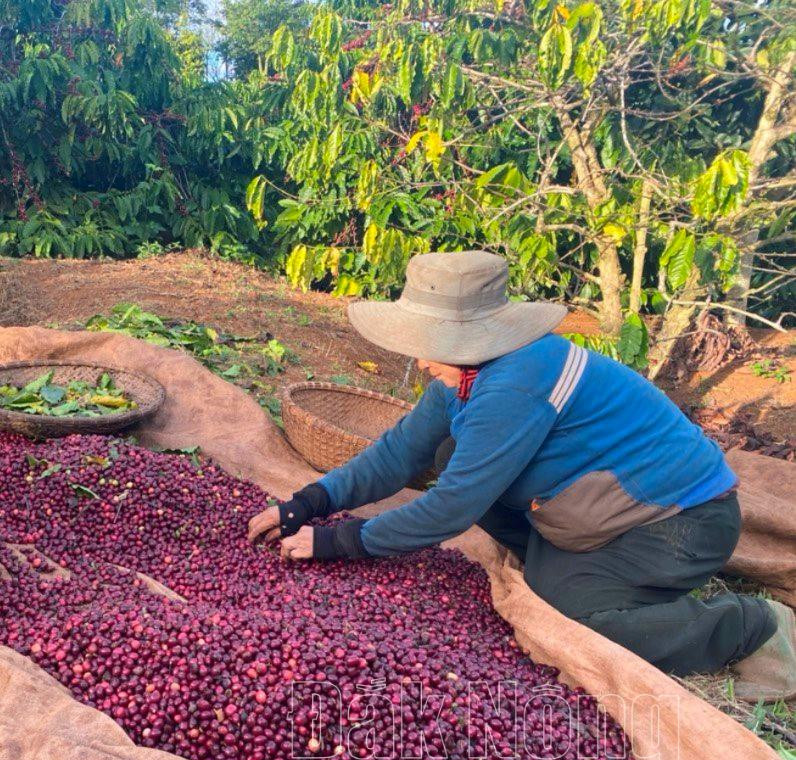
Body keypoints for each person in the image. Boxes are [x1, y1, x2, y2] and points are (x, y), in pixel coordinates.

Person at [247, 251, 794, 701]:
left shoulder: (515, 384)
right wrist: (307, 503)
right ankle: (570, 567)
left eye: (427, 345)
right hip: (595, 513)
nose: (419, 360)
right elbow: (399, 454)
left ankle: (754, 628)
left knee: (571, 619)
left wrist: (341, 541)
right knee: (444, 454)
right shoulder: (466, 374)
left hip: (679, 523)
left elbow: (452, 508)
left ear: (468, 340)